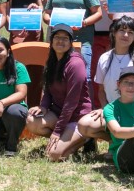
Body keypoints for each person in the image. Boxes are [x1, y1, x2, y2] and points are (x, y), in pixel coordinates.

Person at [79, 16, 134, 141]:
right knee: (85, 125)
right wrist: (106, 109)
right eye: (122, 30)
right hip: (114, 111)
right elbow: (101, 91)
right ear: (114, 33)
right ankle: (115, 140)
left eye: (130, 32)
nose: (126, 35)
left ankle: (131, 141)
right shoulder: (104, 58)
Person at [26, 25, 93, 162]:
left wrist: (57, 131)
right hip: (58, 113)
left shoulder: (75, 64)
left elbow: (71, 103)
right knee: (32, 121)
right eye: (57, 37)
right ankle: (65, 140)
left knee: (53, 155)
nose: (60, 41)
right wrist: (43, 106)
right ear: (51, 41)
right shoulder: (52, 60)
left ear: (70, 43)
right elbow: (48, 90)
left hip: (76, 117)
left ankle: (85, 139)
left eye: (65, 38)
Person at [42, 0, 103, 78]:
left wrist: (83, 23)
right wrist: (51, 21)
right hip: (58, 42)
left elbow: (98, 13)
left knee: (82, 79)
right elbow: (46, 14)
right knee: (57, 79)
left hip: (80, 42)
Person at [84, 0, 115, 93]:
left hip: (116, 30)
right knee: (96, 71)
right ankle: (96, 105)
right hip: (95, 32)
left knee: (115, 70)